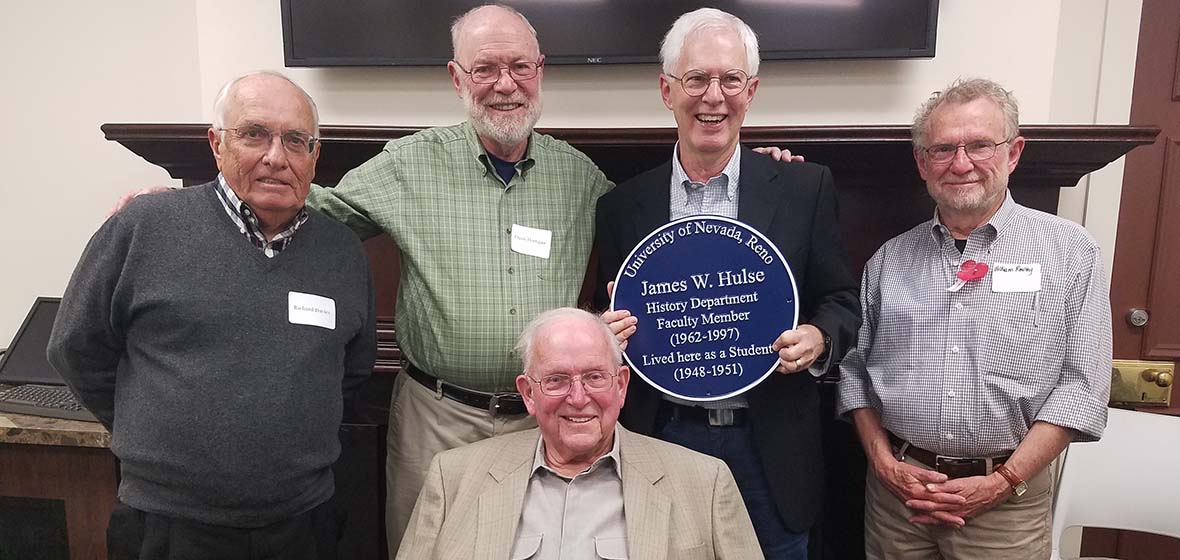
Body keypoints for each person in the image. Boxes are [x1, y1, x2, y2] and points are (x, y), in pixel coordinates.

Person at [46, 71, 376, 559]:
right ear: (216, 145)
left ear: (314, 156)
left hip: (303, 525)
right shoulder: (144, 227)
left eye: (295, 140)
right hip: (169, 524)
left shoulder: (342, 251)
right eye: (254, 134)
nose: (275, 157)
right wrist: (151, 429)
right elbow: (75, 348)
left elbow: (350, 372)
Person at [593, 8, 861, 560]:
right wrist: (605, 332)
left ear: (751, 90)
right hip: (662, 432)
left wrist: (819, 339)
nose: (713, 96)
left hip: (770, 445)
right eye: (695, 79)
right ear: (668, 90)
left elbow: (841, 301)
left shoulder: (803, 186)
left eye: (730, 79)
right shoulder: (622, 206)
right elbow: (612, 307)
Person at [837, 78, 1112, 559]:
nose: (961, 164)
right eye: (942, 149)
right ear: (923, 163)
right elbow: (857, 371)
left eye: (980, 145)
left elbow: (1082, 388)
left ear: (1014, 152)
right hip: (897, 499)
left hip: (1006, 505)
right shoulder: (889, 260)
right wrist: (883, 463)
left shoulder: (1071, 252)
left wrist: (1002, 481)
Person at [397, 307, 763, 560]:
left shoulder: (705, 483)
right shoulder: (454, 479)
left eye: (594, 377)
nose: (577, 397)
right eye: (556, 380)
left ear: (620, 386)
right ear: (528, 393)